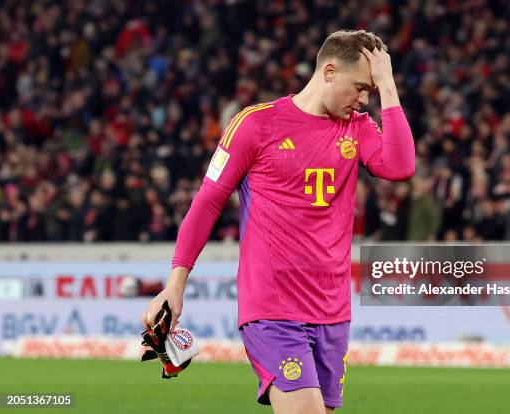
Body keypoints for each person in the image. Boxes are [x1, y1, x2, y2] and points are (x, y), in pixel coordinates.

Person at [141, 30, 415, 414]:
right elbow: (207, 204)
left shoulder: (358, 126)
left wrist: (389, 86)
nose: (363, 99)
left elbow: (401, 167)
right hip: (273, 307)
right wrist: (175, 286)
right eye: (360, 87)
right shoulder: (256, 124)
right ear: (330, 72)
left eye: (371, 90)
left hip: (333, 309)